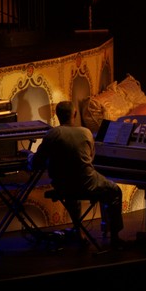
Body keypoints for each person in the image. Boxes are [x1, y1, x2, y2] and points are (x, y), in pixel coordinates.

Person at [31, 101, 126, 248]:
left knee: (71, 193)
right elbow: (91, 159)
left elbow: (37, 161)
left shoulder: (52, 134)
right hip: (87, 183)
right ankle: (115, 237)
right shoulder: (86, 132)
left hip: (63, 185)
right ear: (74, 114)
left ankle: (79, 231)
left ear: (57, 115)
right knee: (115, 190)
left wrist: (28, 156)